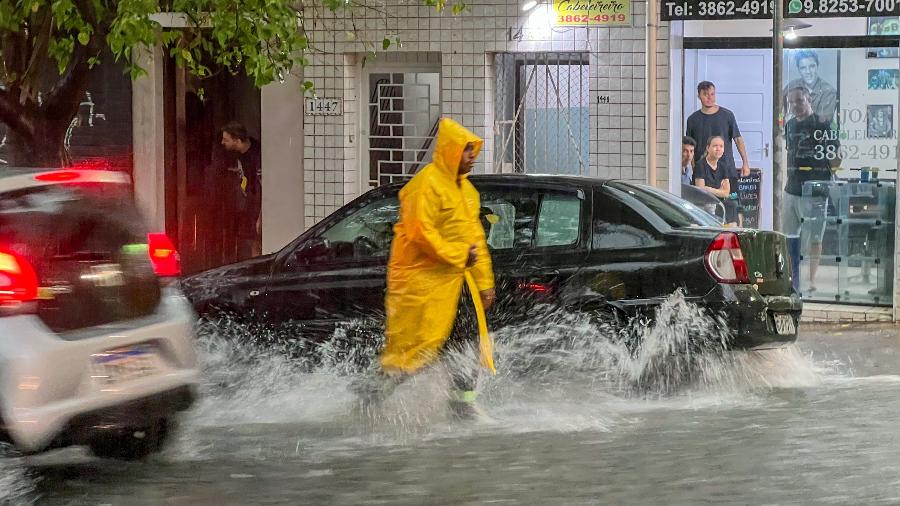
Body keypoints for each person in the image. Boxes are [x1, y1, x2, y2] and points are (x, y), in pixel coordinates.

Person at [355, 118, 496, 420]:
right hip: (421, 287)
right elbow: (421, 234)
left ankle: (462, 404)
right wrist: (460, 256)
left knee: (467, 344)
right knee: (411, 353)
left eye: (474, 151)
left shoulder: (468, 192)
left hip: (457, 284)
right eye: (467, 151)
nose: (473, 157)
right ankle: (369, 400)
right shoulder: (424, 186)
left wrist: (484, 282)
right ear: (450, 150)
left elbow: (475, 240)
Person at [783, 86, 840, 292]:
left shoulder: (823, 124)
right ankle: (793, 278)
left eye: (799, 101)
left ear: (809, 100)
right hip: (791, 188)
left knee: (815, 237)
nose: (795, 105)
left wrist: (830, 172)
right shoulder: (789, 125)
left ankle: (811, 280)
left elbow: (836, 155)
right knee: (790, 235)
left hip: (815, 190)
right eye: (791, 102)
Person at [685, 81, 752, 178]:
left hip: (727, 170)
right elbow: (690, 147)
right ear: (699, 96)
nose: (709, 97)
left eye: (712, 94)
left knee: (731, 194)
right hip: (703, 173)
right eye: (705, 94)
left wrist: (745, 163)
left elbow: (738, 139)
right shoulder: (692, 120)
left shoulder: (727, 115)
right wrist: (694, 168)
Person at [220, 121, 262, 258]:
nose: (222, 142)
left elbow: (263, 186)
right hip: (247, 203)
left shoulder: (257, 155)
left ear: (237, 140)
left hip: (257, 205)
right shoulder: (238, 154)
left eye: (226, 139)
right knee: (251, 242)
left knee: (257, 242)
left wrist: (261, 216)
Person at [782, 50, 838, 125]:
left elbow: (822, 124)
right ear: (798, 69)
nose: (808, 72)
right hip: (791, 134)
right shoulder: (790, 87)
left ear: (817, 66)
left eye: (811, 66)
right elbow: (779, 114)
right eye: (803, 68)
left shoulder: (829, 92)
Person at [694, 136, 739, 226]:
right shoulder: (701, 165)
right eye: (715, 146)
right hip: (705, 203)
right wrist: (718, 190)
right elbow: (700, 190)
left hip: (720, 202)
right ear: (708, 148)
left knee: (732, 204)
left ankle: (731, 232)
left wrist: (708, 189)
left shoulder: (723, 166)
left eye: (721, 146)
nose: (718, 149)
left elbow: (726, 193)